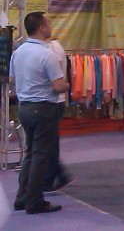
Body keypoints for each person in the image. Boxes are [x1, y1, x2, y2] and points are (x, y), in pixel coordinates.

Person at [10, 12, 69, 214]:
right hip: (43, 108)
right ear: (41, 27)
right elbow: (58, 86)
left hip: (25, 107)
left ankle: (22, 197)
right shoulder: (47, 54)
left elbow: (12, 79)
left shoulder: (18, 52)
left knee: (31, 154)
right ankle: (34, 201)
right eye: (48, 23)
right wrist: (68, 85)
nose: (50, 26)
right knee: (41, 156)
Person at [42, 36, 73, 193]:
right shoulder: (52, 47)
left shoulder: (52, 49)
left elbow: (56, 80)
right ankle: (58, 175)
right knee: (49, 142)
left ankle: (53, 178)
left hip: (53, 101)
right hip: (52, 100)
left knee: (49, 143)